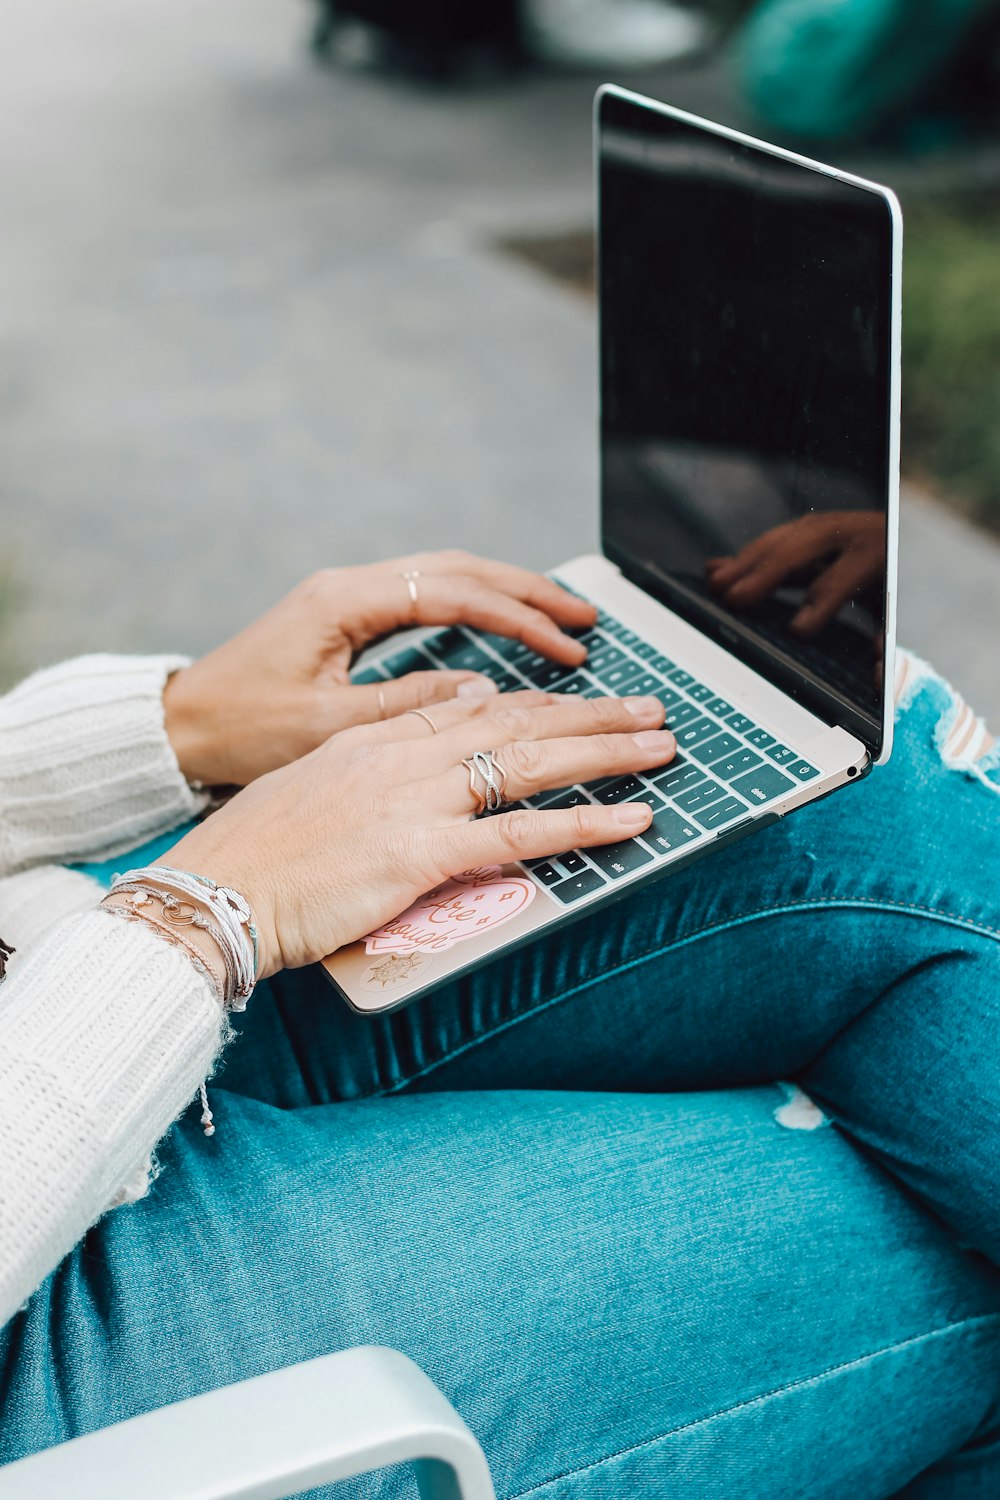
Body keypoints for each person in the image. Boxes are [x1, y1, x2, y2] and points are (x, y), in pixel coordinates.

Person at [0, 549, 998, 1497]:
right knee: (941, 1253)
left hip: (49, 967)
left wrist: (177, 728)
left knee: (870, 783)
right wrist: (201, 916)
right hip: (46, 1347)